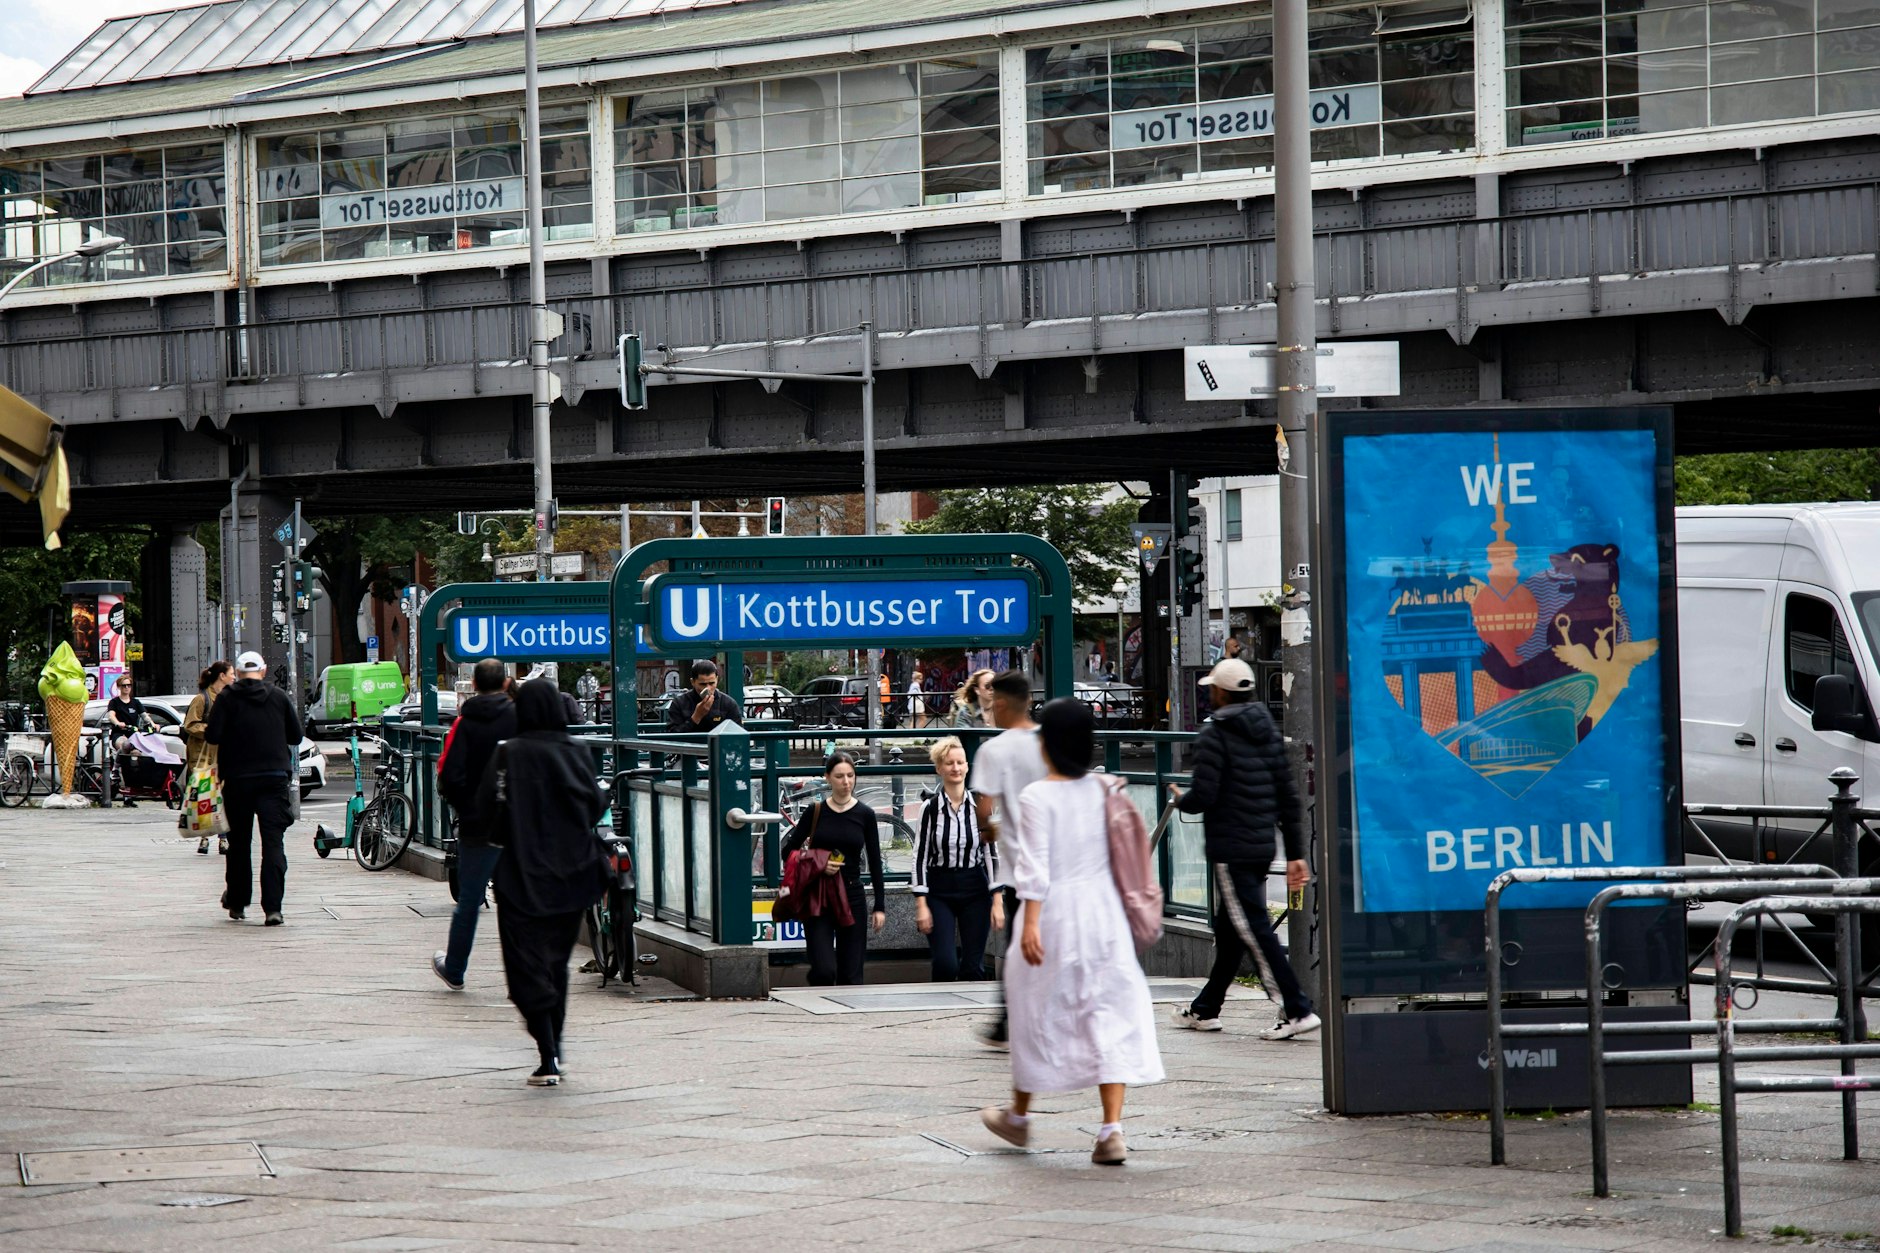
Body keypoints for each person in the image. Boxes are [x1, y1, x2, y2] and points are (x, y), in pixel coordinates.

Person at [979, 698, 1164, 1165]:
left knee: (1033, 1008)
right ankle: (1110, 1129)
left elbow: (1035, 866)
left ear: (1050, 744)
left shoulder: (1038, 796)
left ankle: (1020, 1117)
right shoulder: (1104, 788)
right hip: (1104, 916)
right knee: (1106, 1011)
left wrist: (1032, 922)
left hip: (1056, 914)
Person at [1169, 657, 1318, 1040]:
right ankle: (1205, 1009)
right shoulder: (1267, 731)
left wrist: (1179, 799)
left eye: (1211, 690)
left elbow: (1204, 794)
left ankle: (1296, 1008)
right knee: (1231, 928)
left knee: (1253, 929)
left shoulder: (1214, 735)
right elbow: (1288, 795)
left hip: (1230, 849)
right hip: (1260, 845)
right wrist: (1298, 852)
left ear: (1220, 692)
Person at [475, 681, 608, 1087]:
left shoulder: (508, 754)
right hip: (573, 873)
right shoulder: (576, 750)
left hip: (521, 875)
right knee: (556, 962)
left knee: (524, 963)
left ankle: (546, 1047)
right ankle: (555, 1044)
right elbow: (596, 805)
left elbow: (484, 810)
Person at [969, 670, 1048, 1049]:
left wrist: (992, 828)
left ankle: (1009, 1021)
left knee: (1020, 945)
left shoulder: (993, 750)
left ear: (1000, 703)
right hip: (1058, 862)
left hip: (1020, 869)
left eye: (989, 706)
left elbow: (984, 809)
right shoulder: (1050, 742)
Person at [432, 658, 517, 991]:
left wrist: (467, 809)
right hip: (515, 825)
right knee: (516, 901)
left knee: (469, 900)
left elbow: (448, 775)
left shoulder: (464, 724)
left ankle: (455, 968)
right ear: (506, 683)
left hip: (477, 826)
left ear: (475, 686)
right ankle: (522, 970)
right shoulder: (520, 718)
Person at [205, 651, 303, 926]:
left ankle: (237, 901)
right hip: (273, 777)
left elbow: (213, 735)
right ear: (262, 670)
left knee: (239, 844)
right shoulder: (279, 697)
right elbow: (296, 735)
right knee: (273, 843)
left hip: (238, 779)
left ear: (238, 671)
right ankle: (273, 909)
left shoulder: (226, 698)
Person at [787, 750, 885, 986]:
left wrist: (879, 906)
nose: (847, 782)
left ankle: (849, 1021)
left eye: (851, 776)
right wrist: (818, 862)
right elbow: (787, 852)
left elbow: (875, 861)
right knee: (823, 969)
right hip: (818, 894)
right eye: (840, 776)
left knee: (851, 973)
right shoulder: (816, 811)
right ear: (827, 777)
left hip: (851, 894)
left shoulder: (865, 814)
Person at [913, 737, 1002, 981]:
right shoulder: (930, 809)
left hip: (974, 886)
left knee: (973, 967)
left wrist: (997, 900)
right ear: (939, 768)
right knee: (945, 965)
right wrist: (921, 903)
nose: (955, 768)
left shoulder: (980, 806)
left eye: (960, 762)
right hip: (939, 888)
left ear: (967, 766)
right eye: (949, 763)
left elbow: (991, 853)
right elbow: (919, 856)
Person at [182, 661, 232, 846]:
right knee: (205, 797)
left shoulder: (228, 697)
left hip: (223, 755)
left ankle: (222, 838)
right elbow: (190, 725)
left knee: (222, 797)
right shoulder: (202, 699)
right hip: (202, 756)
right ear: (222, 676)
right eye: (231, 673)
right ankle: (204, 838)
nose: (234, 677)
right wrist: (213, 730)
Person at [665, 660, 742, 734]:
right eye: (702, 684)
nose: (708, 688)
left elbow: (737, 734)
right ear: (693, 682)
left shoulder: (728, 704)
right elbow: (673, 735)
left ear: (717, 680)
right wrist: (696, 717)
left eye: (711, 683)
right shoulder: (679, 703)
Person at [105, 676, 146, 802]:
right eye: (124, 685)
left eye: (129, 685)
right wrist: (118, 723)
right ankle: (115, 770)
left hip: (133, 735)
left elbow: (144, 716)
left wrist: (153, 724)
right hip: (119, 734)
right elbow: (111, 715)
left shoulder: (136, 703)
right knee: (125, 744)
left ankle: (130, 792)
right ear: (119, 687)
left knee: (135, 759)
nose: (127, 688)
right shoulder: (114, 702)